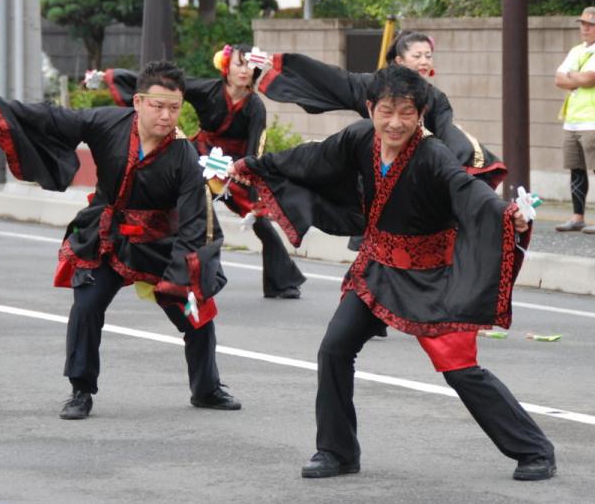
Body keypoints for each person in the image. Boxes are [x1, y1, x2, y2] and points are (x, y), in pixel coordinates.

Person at [230, 66, 556, 482]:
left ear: (420, 113)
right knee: (334, 350)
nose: (395, 122)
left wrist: (508, 216)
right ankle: (336, 451)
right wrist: (253, 166)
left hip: (429, 278)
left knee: (460, 370)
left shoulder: (433, 153)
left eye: (406, 112)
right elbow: (312, 157)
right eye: (386, 111)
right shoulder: (359, 138)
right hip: (375, 270)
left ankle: (534, 450)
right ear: (371, 109)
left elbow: (467, 190)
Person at [0, 60, 241, 419]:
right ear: (138, 102)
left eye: (174, 108)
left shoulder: (184, 156)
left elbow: (193, 223)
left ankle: (206, 388)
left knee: (196, 314)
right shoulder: (108, 122)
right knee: (87, 306)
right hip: (107, 236)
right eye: (157, 106)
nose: (166, 116)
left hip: (159, 244)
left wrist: (182, 277)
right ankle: (81, 390)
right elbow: (55, 118)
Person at [91, 45, 306, 299]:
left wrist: (246, 174)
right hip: (200, 160)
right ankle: (182, 273)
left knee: (260, 220)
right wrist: (108, 77)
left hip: (232, 168)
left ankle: (281, 281)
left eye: (249, 65)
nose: (245, 70)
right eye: (239, 64)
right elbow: (166, 85)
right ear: (226, 66)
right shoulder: (208, 89)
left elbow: (255, 143)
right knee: (196, 217)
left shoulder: (254, 105)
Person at [254, 30, 506, 188]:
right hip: (380, 170)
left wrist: (462, 172)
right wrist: (281, 65)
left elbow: (447, 133)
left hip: (419, 176)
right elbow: (337, 80)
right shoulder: (374, 85)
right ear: (399, 60)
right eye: (417, 56)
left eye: (428, 56)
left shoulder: (435, 98)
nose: (424, 61)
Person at [553, 7, 595, 235]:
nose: (584, 28)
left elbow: (590, 79)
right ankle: (577, 216)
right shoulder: (577, 50)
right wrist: (577, 78)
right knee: (576, 169)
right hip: (573, 120)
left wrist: (573, 76)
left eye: (590, 25)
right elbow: (558, 79)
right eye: (582, 23)